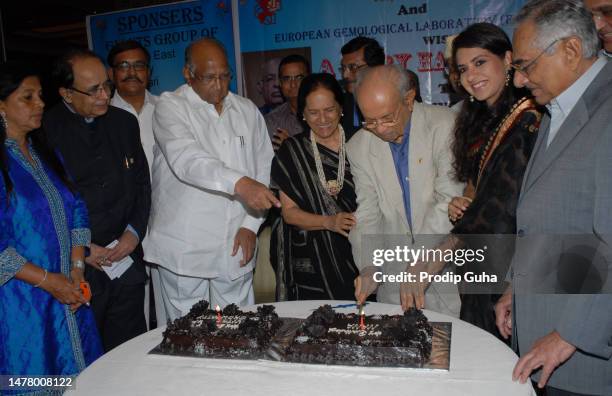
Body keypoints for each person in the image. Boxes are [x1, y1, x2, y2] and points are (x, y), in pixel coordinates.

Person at [494, 1, 612, 394]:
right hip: (543, 332)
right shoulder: (560, 103)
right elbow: (549, 216)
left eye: (525, 66)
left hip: (582, 356)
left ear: (571, 51)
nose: (518, 82)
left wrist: (568, 334)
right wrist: (516, 285)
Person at [400, 23, 543, 341]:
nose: (470, 76)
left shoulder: (527, 120)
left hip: (511, 271)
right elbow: (481, 191)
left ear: (508, 59)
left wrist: (440, 253)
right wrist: (463, 202)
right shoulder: (482, 120)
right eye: (463, 68)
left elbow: (501, 207)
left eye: (480, 63)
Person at [145, 38, 277, 320]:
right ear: (187, 74)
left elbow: (263, 168)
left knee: (238, 325)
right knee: (188, 331)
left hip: (235, 239)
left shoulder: (246, 110)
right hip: (185, 244)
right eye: (209, 78)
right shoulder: (171, 107)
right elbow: (188, 160)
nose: (219, 85)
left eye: (224, 76)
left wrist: (251, 225)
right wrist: (240, 183)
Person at [44, 49, 151, 352]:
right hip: (78, 268)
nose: (105, 95)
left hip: (125, 259)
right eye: (94, 90)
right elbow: (47, 207)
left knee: (130, 352)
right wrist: (83, 249)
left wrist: (133, 233)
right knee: (88, 354)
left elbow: (143, 184)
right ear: (66, 93)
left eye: (107, 85)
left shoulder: (124, 123)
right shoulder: (45, 132)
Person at [0, 62, 102, 378]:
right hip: (22, 303)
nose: (41, 104)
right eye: (27, 97)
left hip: (69, 294)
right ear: (1, 106)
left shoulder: (46, 152)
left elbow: (77, 209)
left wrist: (75, 271)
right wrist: (48, 281)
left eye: (40, 96)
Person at [349, 64, 463, 316]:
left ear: (409, 100)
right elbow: (368, 213)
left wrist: (420, 258)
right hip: (393, 278)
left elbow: (448, 199)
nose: (379, 128)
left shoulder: (445, 125)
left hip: (444, 265)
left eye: (387, 118)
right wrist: (369, 267)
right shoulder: (358, 146)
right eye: (369, 121)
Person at [271, 73, 358, 300]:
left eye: (329, 110)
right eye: (313, 112)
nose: (322, 119)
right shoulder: (292, 151)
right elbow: (289, 214)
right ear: (302, 114)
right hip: (312, 260)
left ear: (341, 107)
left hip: (361, 253)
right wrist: (329, 222)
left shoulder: (362, 142)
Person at [107, 40, 164, 329]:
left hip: (166, 218)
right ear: (112, 72)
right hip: (126, 225)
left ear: (148, 71)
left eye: (138, 65)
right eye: (124, 66)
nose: (132, 72)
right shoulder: (103, 115)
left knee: (168, 303)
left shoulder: (167, 108)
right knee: (132, 305)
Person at [340, 36, 385, 139]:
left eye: (353, 67)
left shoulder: (397, 101)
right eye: (343, 68)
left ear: (376, 68)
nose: (345, 75)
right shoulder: (340, 104)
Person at [265, 54, 310, 150]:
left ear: (309, 79)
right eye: (287, 78)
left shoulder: (323, 114)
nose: (293, 84)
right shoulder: (271, 121)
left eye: (299, 78)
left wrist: (291, 147)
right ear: (280, 83)